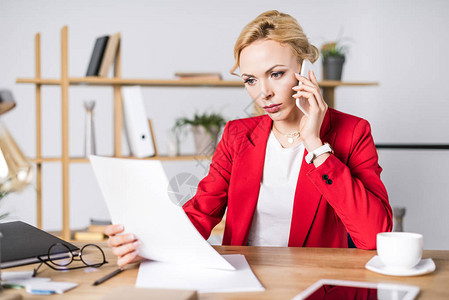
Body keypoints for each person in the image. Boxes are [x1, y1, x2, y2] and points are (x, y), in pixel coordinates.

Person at [105, 10, 392, 267]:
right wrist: (148, 245)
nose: (262, 92)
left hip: (314, 285)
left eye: (276, 74)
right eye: (250, 80)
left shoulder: (352, 132)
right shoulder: (237, 135)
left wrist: (316, 146)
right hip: (245, 282)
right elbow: (202, 211)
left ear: (305, 71)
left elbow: (374, 235)